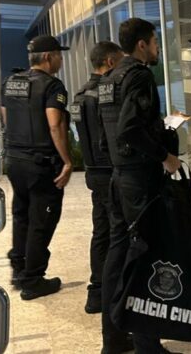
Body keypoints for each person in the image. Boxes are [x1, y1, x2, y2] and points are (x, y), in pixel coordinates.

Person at [98, 18, 180, 354]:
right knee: (144, 256)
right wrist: (165, 156)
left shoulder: (110, 78)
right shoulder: (139, 75)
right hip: (138, 181)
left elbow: (108, 133)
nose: (158, 48)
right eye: (155, 42)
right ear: (143, 44)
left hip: (119, 178)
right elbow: (129, 128)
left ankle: (114, 338)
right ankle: (148, 345)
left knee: (118, 256)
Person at [1, 34, 73, 300]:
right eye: (59, 56)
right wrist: (67, 161)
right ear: (47, 57)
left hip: (15, 160)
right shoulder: (52, 86)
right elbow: (55, 124)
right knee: (41, 221)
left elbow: (6, 116)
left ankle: (19, 269)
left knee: (22, 215)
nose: (61, 61)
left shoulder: (11, 82)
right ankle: (33, 280)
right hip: (40, 163)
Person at [70, 41, 125, 314]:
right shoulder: (107, 93)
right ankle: (114, 292)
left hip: (92, 171)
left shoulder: (80, 94)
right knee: (118, 233)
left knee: (101, 231)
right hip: (111, 172)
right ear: (110, 62)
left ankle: (97, 291)